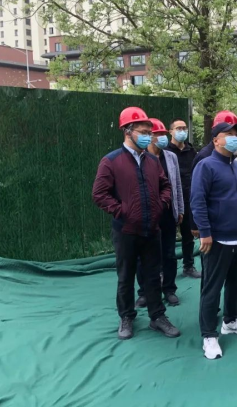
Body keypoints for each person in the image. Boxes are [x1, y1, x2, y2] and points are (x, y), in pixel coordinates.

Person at [92, 107, 180, 340]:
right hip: (126, 231)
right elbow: (99, 194)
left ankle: (157, 316)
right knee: (126, 277)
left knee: (153, 275)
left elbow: (165, 186)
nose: (148, 137)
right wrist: (123, 211)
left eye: (149, 133)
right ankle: (126, 317)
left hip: (152, 229)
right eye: (143, 132)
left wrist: (161, 204)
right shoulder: (111, 161)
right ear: (127, 131)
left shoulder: (152, 161)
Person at [191, 121, 237, 360]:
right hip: (217, 239)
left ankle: (230, 320)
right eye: (228, 134)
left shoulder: (236, 166)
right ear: (216, 140)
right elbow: (197, 201)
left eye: (236, 134)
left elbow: (236, 197)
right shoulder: (206, 166)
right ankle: (209, 334)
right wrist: (205, 232)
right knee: (212, 288)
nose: (234, 138)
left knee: (235, 283)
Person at [135, 118, 184, 308]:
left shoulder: (170, 157)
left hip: (168, 213)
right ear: (150, 136)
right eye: (158, 134)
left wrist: (179, 209)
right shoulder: (139, 157)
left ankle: (169, 289)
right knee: (144, 256)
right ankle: (144, 292)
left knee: (169, 254)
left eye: (164, 134)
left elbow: (176, 184)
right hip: (147, 216)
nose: (162, 138)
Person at [166, 117, 200, 279]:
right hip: (170, 202)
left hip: (189, 200)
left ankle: (189, 266)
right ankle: (165, 270)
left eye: (184, 128)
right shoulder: (165, 152)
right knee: (168, 238)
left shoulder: (191, 151)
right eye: (178, 128)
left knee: (188, 236)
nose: (182, 131)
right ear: (170, 132)